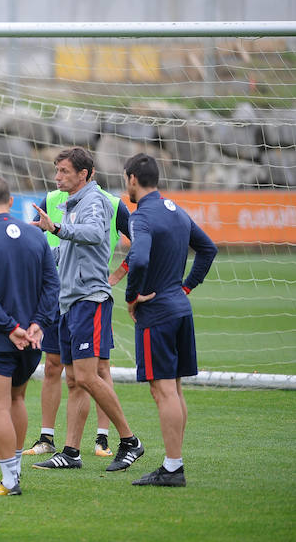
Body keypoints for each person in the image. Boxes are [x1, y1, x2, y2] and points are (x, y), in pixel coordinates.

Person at [30, 146, 145, 472]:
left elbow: (94, 235)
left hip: (89, 300)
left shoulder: (95, 202)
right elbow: (65, 252)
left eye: (64, 171)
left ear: (84, 174)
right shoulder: (72, 204)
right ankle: (71, 451)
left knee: (87, 375)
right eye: (56, 171)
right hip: (70, 302)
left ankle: (129, 440)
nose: (57, 177)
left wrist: (55, 229)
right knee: (74, 380)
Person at [122, 153, 217, 487]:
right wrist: (186, 287)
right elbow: (209, 249)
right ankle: (173, 460)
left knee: (163, 390)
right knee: (174, 389)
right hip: (179, 308)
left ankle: (173, 467)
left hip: (157, 313)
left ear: (132, 178)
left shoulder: (141, 216)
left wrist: (132, 295)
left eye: (126, 179)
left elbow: (140, 258)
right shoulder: (175, 210)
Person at [0, 175, 59, 496]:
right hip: (31, 339)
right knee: (18, 399)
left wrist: (10, 328)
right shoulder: (36, 237)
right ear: (12, 201)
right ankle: (15, 473)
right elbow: (52, 286)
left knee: (0, 408)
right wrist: (36, 325)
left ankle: (9, 480)